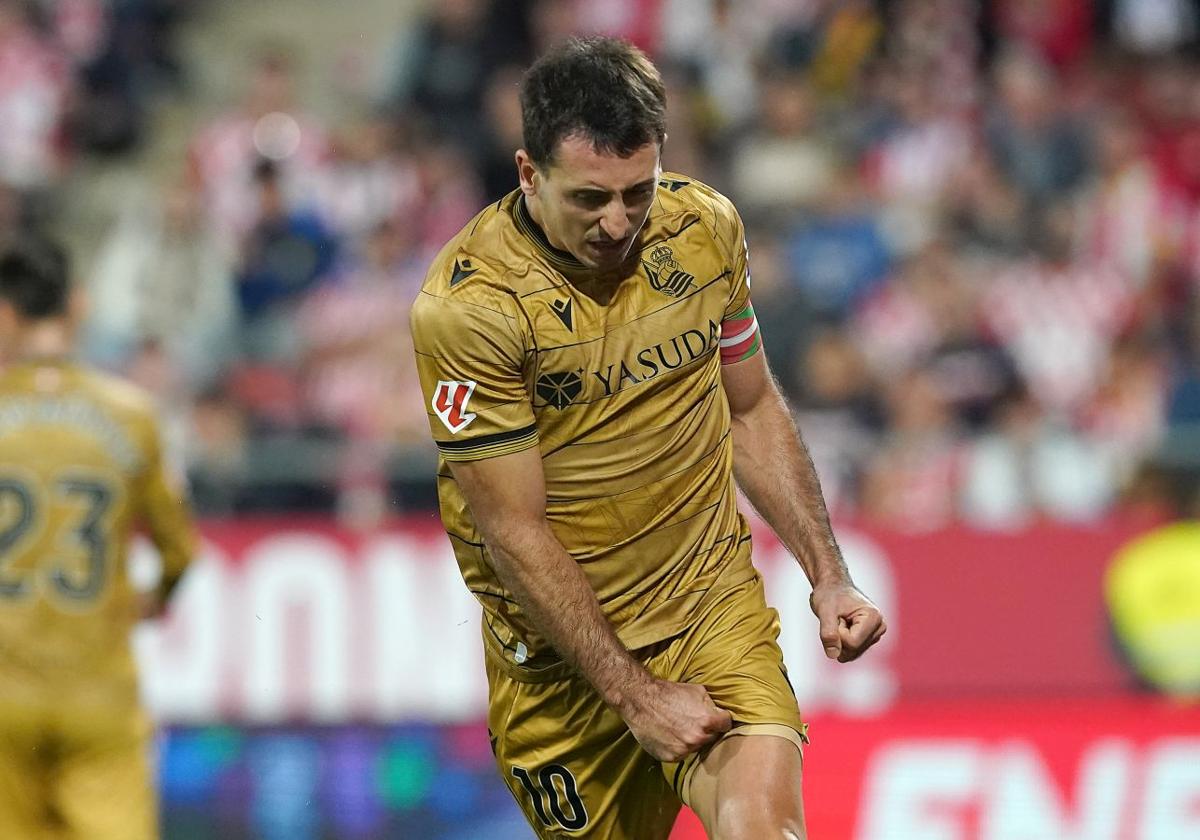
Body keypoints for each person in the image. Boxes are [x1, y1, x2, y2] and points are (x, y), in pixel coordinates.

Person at [410, 37, 886, 838]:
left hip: (707, 605)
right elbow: (512, 529)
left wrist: (828, 574)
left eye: (639, 190)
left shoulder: (704, 231)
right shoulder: (470, 310)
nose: (619, 221)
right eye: (589, 198)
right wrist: (637, 697)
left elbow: (751, 408)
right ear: (529, 174)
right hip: (565, 671)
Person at [0, 235, 196, 840]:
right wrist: (153, 600)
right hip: (98, 693)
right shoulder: (132, 415)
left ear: (5, 313)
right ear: (79, 304)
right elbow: (179, 551)